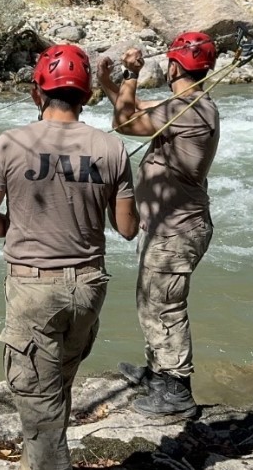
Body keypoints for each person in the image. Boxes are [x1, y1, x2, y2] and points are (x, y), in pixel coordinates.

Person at [0, 45, 139, 470]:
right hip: (88, 288)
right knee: (58, 384)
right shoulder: (112, 148)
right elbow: (127, 228)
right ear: (86, 97)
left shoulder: (10, 143)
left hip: (33, 290)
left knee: (39, 404)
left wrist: (18, 228)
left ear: (36, 94)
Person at [96, 32, 220, 419]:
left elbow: (124, 122)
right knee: (151, 301)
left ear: (173, 66)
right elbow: (132, 108)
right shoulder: (190, 105)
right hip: (171, 225)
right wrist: (107, 83)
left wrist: (132, 74)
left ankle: (177, 393)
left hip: (177, 229)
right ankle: (158, 373)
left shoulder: (191, 110)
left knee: (164, 306)